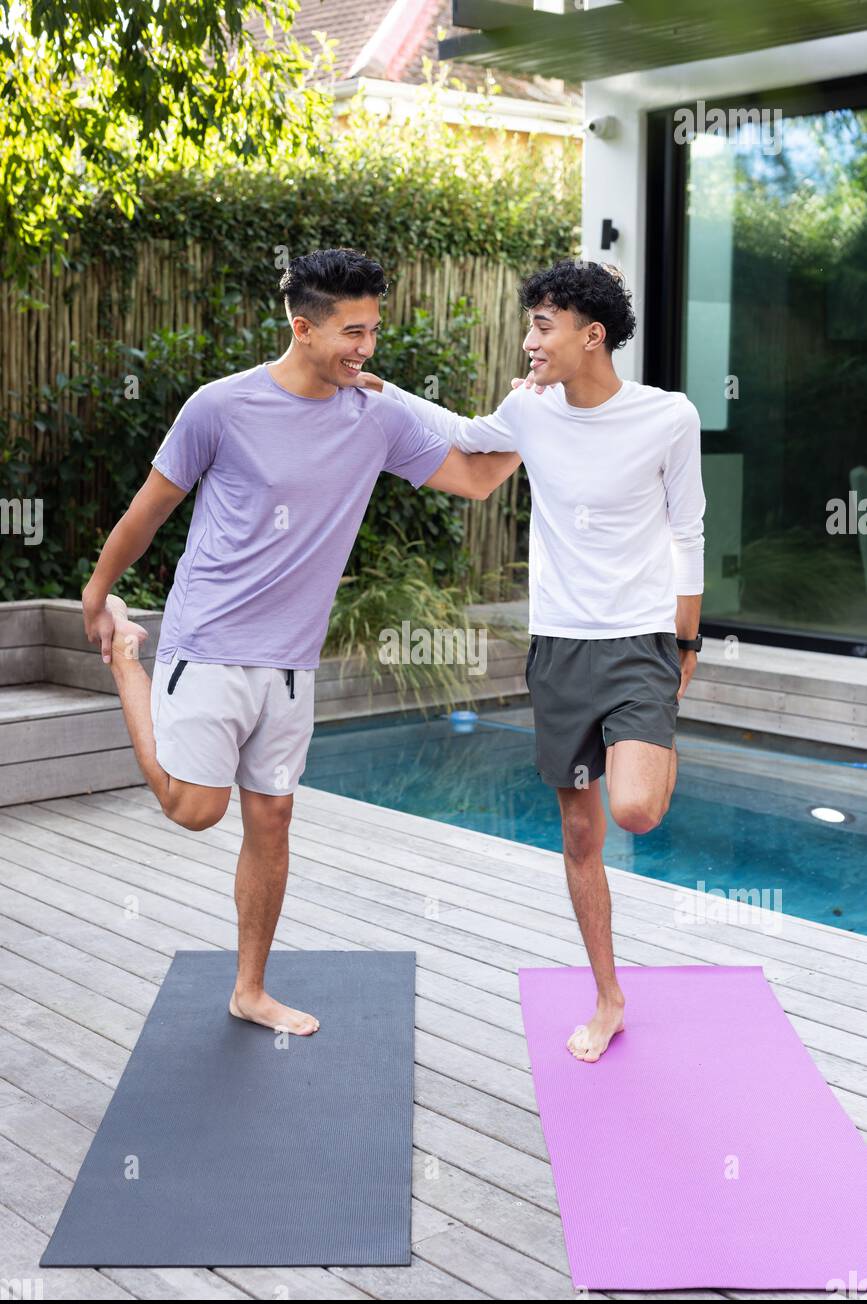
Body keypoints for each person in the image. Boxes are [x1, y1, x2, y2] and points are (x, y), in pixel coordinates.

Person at [81, 247, 522, 1036]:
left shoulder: (377, 416)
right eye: (352, 331)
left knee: (273, 817)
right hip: (208, 639)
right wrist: (97, 593)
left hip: (291, 661)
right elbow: (149, 510)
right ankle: (127, 666)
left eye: (374, 331)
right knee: (192, 812)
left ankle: (249, 989)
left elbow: (477, 479)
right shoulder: (220, 407)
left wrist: (537, 411)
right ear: (302, 327)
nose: (366, 348)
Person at [358, 258, 706, 1063]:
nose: (527, 341)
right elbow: (465, 438)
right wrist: (383, 394)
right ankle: (608, 995)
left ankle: (653, 746)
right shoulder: (529, 409)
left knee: (634, 811)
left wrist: (686, 641)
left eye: (542, 326)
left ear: (592, 335)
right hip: (557, 646)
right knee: (579, 836)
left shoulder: (669, 418)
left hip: (639, 639)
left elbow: (687, 532)